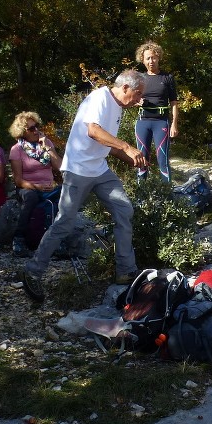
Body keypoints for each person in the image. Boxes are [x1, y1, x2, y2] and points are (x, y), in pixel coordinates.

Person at [21, 71, 147, 302]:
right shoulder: (100, 98)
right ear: (126, 87)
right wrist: (128, 146)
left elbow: (106, 144)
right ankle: (32, 271)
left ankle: (125, 271)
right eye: (138, 93)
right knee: (64, 223)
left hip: (99, 169)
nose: (140, 99)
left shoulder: (118, 107)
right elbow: (93, 131)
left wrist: (131, 159)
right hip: (77, 170)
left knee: (124, 210)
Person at [8, 111, 63, 257]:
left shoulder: (46, 143)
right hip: (28, 187)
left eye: (36, 126)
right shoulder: (17, 150)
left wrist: (48, 148)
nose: (36, 130)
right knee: (31, 198)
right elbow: (18, 180)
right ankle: (18, 239)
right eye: (31, 129)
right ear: (22, 132)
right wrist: (36, 186)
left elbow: (60, 167)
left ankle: (57, 241)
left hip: (48, 186)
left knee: (66, 193)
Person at [134, 41, 179, 183]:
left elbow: (174, 103)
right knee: (142, 160)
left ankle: (167, 196)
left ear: (158, 57)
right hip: (143, 122)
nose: (151, 61)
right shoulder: (139, 78)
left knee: (163, 160)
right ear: (142, 60)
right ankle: (141, 197)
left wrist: (174, 124)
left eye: (154, 57)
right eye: (148, 58)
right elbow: (131, 99)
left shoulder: (167, 78)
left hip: (161, 122)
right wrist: (137, 102)